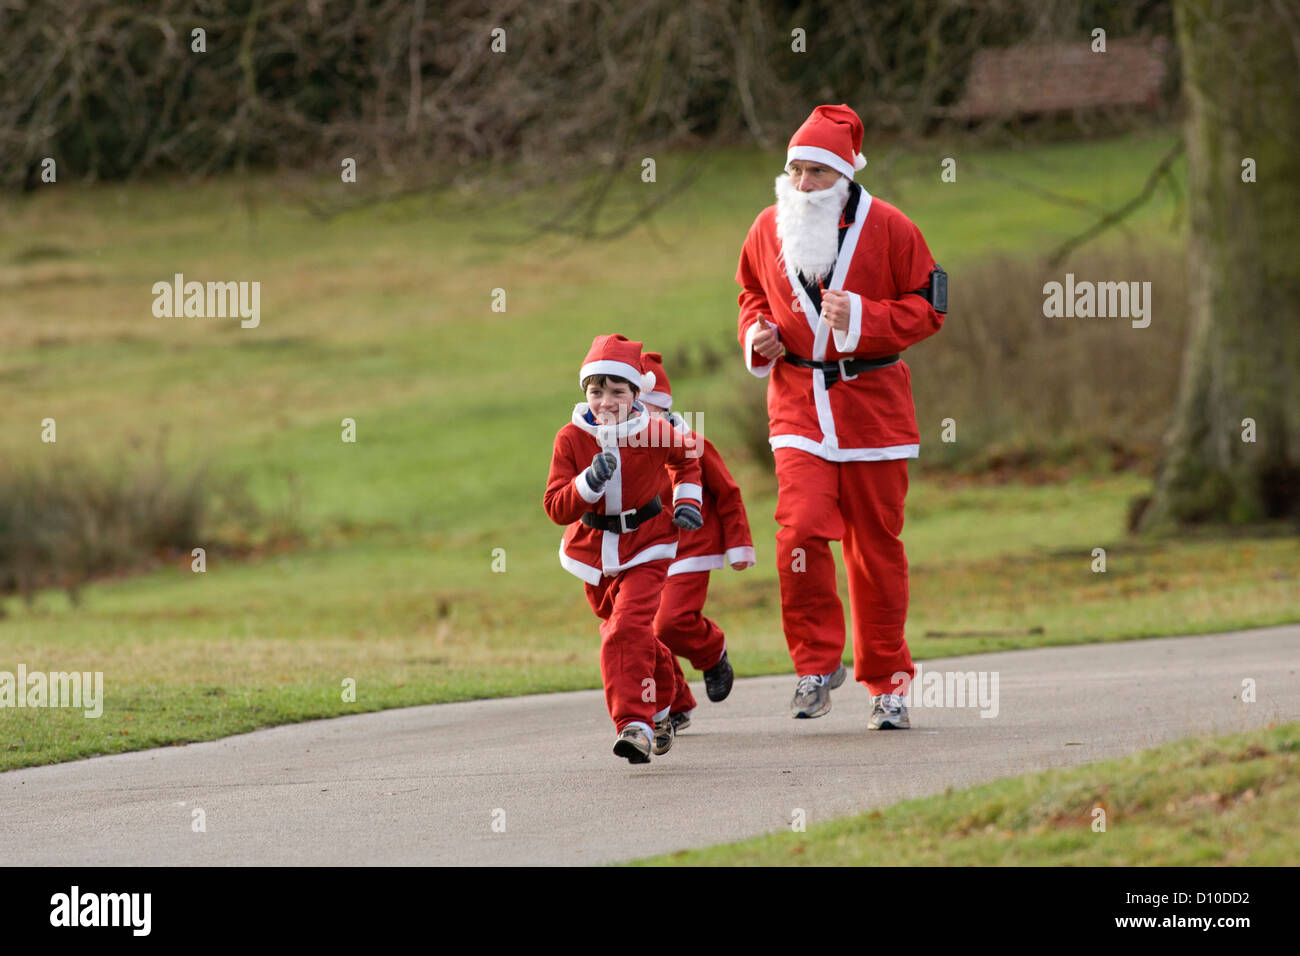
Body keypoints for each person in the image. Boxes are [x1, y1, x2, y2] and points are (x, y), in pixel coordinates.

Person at [733, 103, 946, 729]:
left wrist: (867, 320)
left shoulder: (892, 228)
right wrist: (758, 335)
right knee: (798, 530)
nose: (802, 185)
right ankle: (815, 665)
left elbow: (929, 309)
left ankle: (888, 683)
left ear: (846, 177)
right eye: (795, 171)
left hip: (874, 414)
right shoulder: (767, 227)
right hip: (797, 405)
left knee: (875, 552)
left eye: (817, 174)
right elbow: (749, 294)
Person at [543, 333, 705, 763]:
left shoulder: (654, 431)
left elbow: (687, 458)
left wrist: (688, 500)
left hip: (649, 546)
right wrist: (588, 483)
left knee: (624, 630)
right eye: (597, 391)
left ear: (636, 394)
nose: (606, 401)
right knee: (634, 635)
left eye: (618, 391)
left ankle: (634, 725)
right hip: (593, 555)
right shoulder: (570, 439)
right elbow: (556, 508)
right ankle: (669, 703)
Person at [638, 351, 755, 732]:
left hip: (692, 550)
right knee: (642, 630)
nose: (644, 418)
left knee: (668, 623)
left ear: (664, 409)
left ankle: (712, 650)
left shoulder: (695, 444)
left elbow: (729, 494)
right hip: (645, 553)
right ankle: (675, 703)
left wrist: (739, 546)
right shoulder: (624, 452)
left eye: (651, 409)